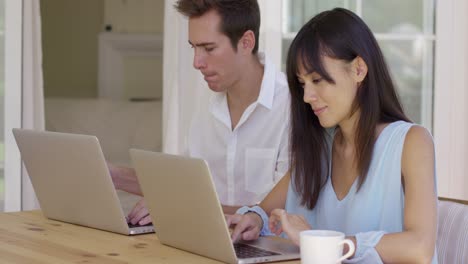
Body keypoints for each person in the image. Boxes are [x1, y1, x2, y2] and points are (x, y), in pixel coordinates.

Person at [227, 8, 438, 263]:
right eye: (303, 84)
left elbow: (419, 248)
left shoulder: (412, 142)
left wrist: (323, 243)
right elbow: (265, 210)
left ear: (359, 69)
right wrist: (254, 218)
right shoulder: (319, 146)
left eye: (318, 80)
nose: (307, 97)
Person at [111, 0, 290, 225]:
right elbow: (185, 185)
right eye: (193, 47)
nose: (197, 62)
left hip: (272, 254)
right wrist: (114, 175)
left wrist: (177, 206)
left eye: (209, 48)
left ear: (246, 42)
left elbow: (281, 210)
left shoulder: (292, 107)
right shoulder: (206, 105)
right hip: (205, 243)